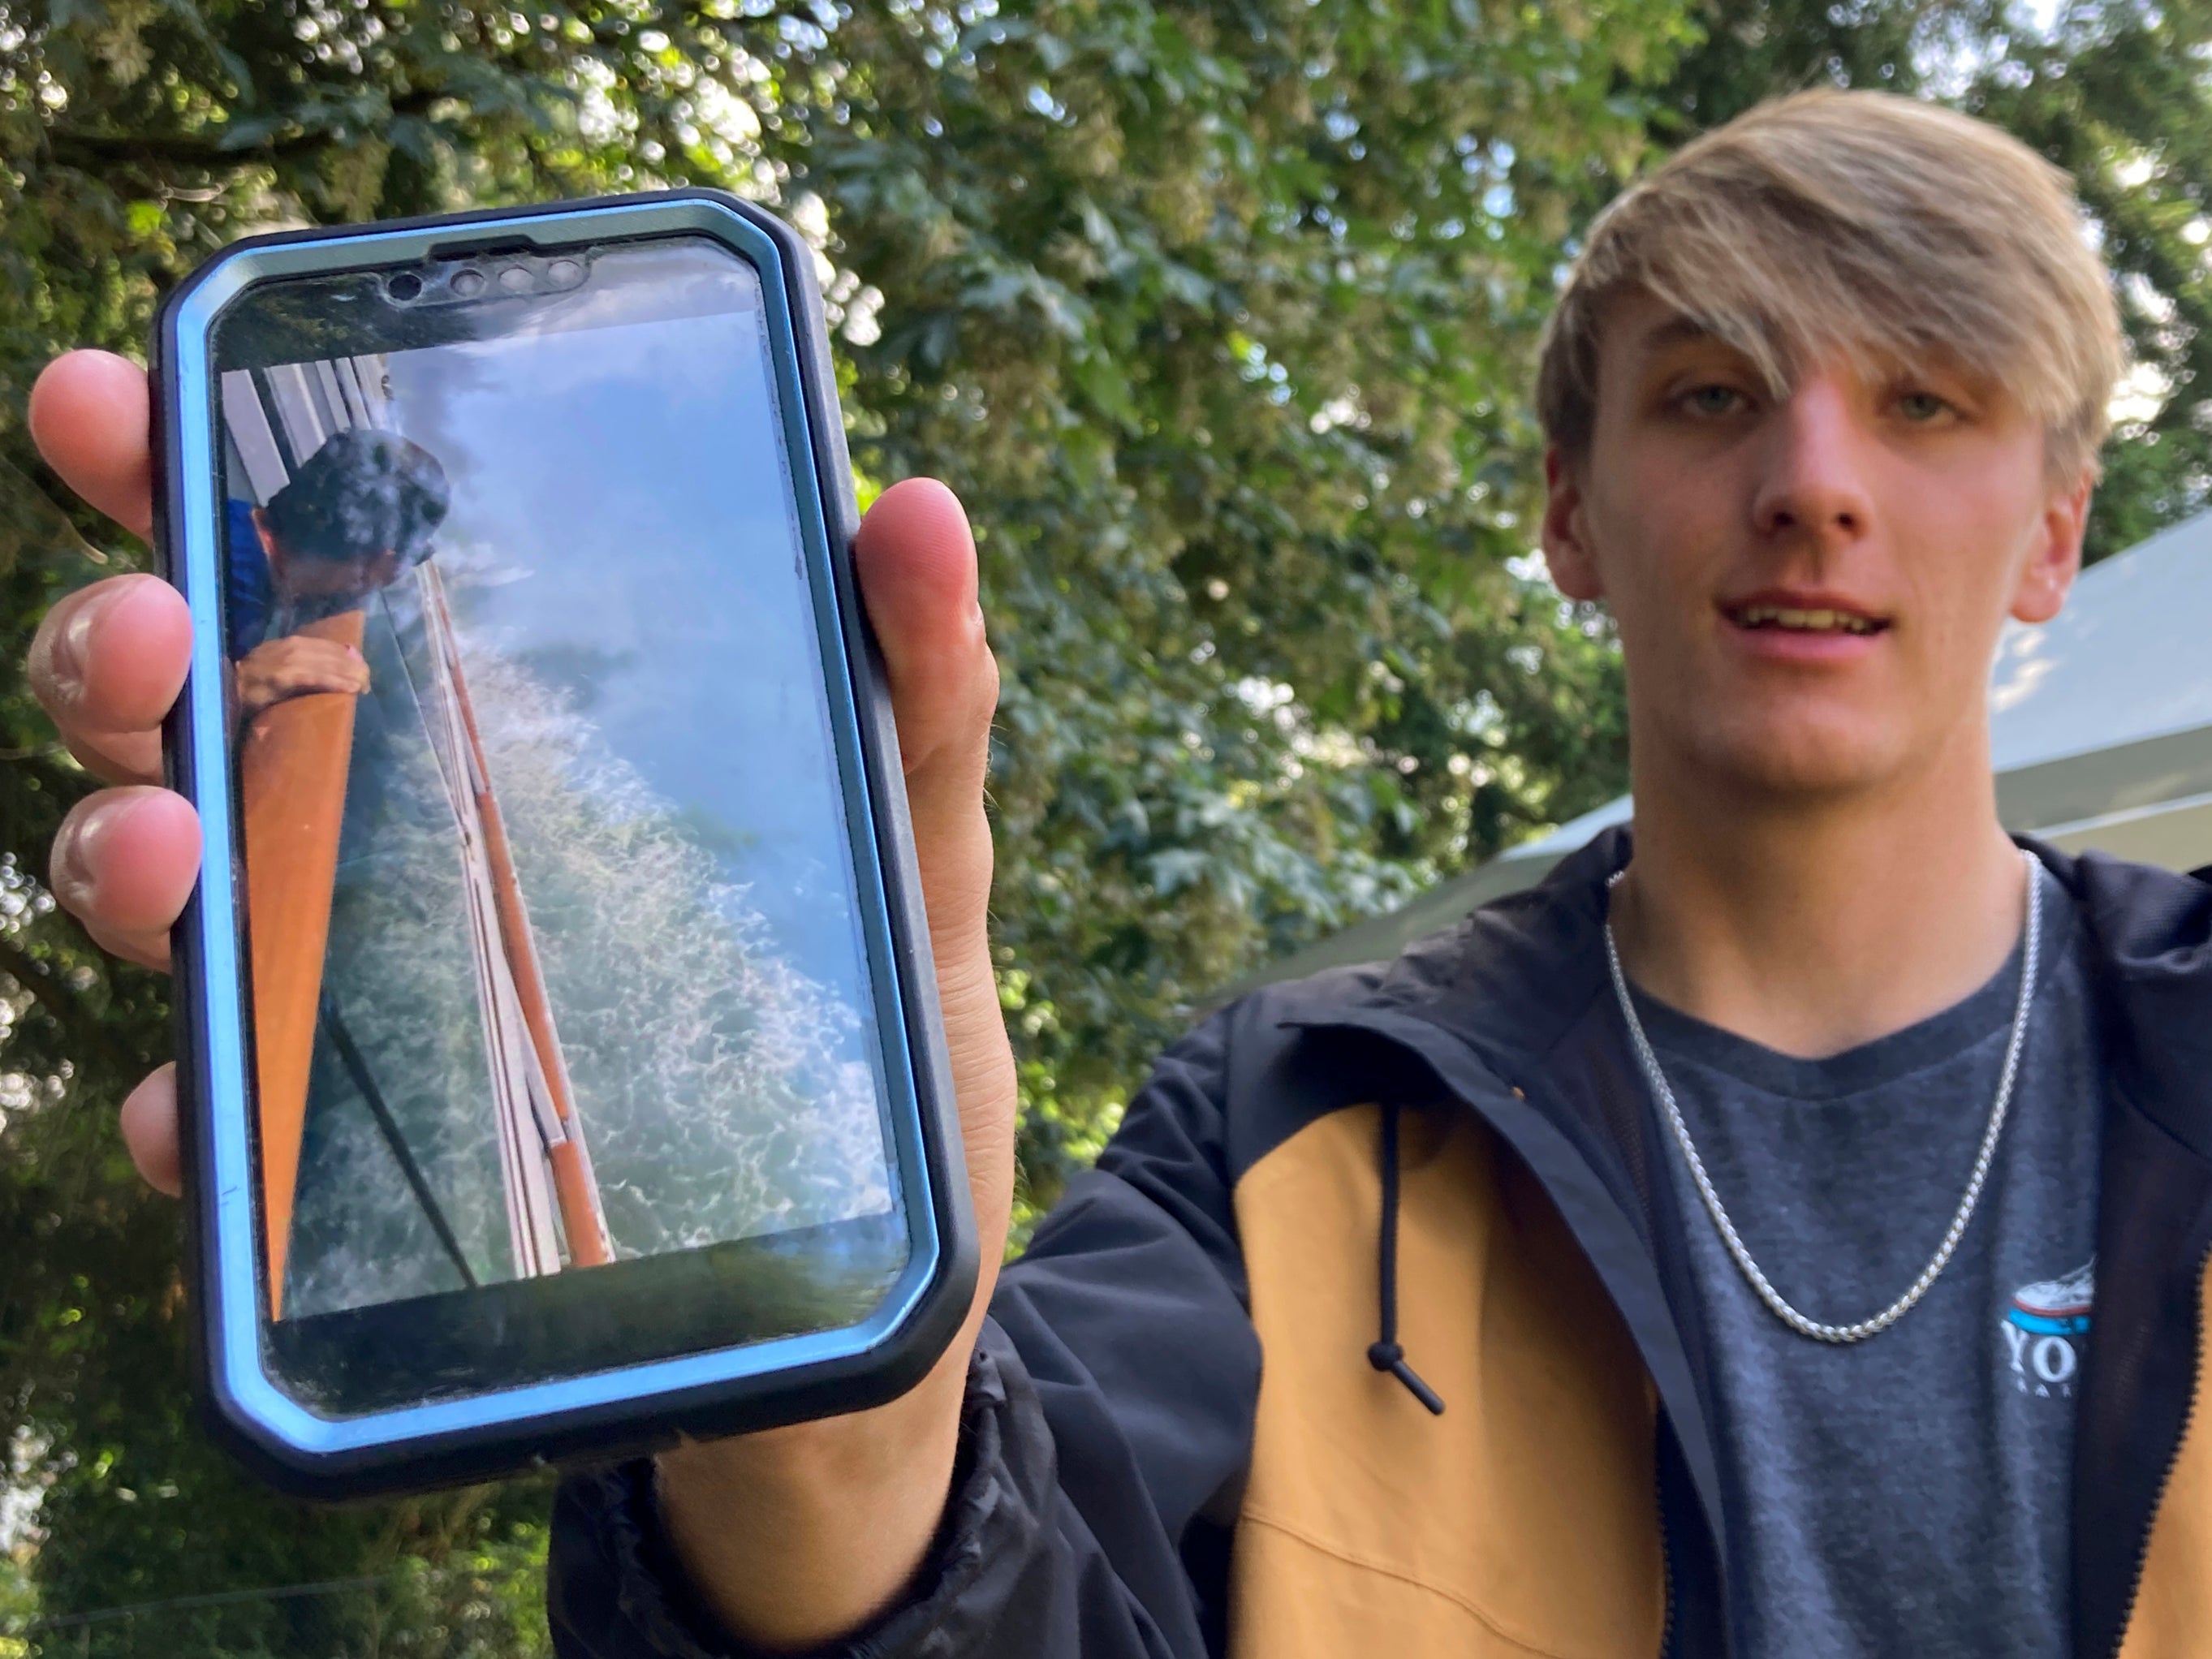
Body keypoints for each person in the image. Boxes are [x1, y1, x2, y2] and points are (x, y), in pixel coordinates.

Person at [25, 87, 2212, 1657]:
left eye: (1920, 405)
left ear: (2047, 528)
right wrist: (824, 1419)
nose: (1812, 483)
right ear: (1565, 512)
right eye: (1714, 394)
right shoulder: (1283, 1121)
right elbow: (1006, 1589)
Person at [223, 425, 451, 723]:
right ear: (381, 564)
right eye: (406, 562)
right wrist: (237, 690)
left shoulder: (225, 515)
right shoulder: (235, 612)